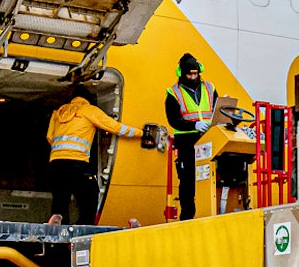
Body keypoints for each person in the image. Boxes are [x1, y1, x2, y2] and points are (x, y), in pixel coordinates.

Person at [45, 85, 142, 225]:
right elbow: (115, 127)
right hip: (77, 161)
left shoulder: (59, 112)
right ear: (87, 99)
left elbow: (50, 137)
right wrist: (141, 133)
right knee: (89, 193)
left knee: (61, 193)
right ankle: (85, 225)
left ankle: (58, 217)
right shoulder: (89, 110)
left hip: (56, 162)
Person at [165, 53, 221, 221]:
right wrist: (193, 125)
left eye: (195, 74)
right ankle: (187, 216)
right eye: (189, 74)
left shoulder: (210, 88)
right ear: (181, 73)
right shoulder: (173, 93)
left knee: (209, 177)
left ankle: (211, 213)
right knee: (188, 181)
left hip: (208, 139)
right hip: (186, 142)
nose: (192, 77)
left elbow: (218, 108)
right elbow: (173, 120)